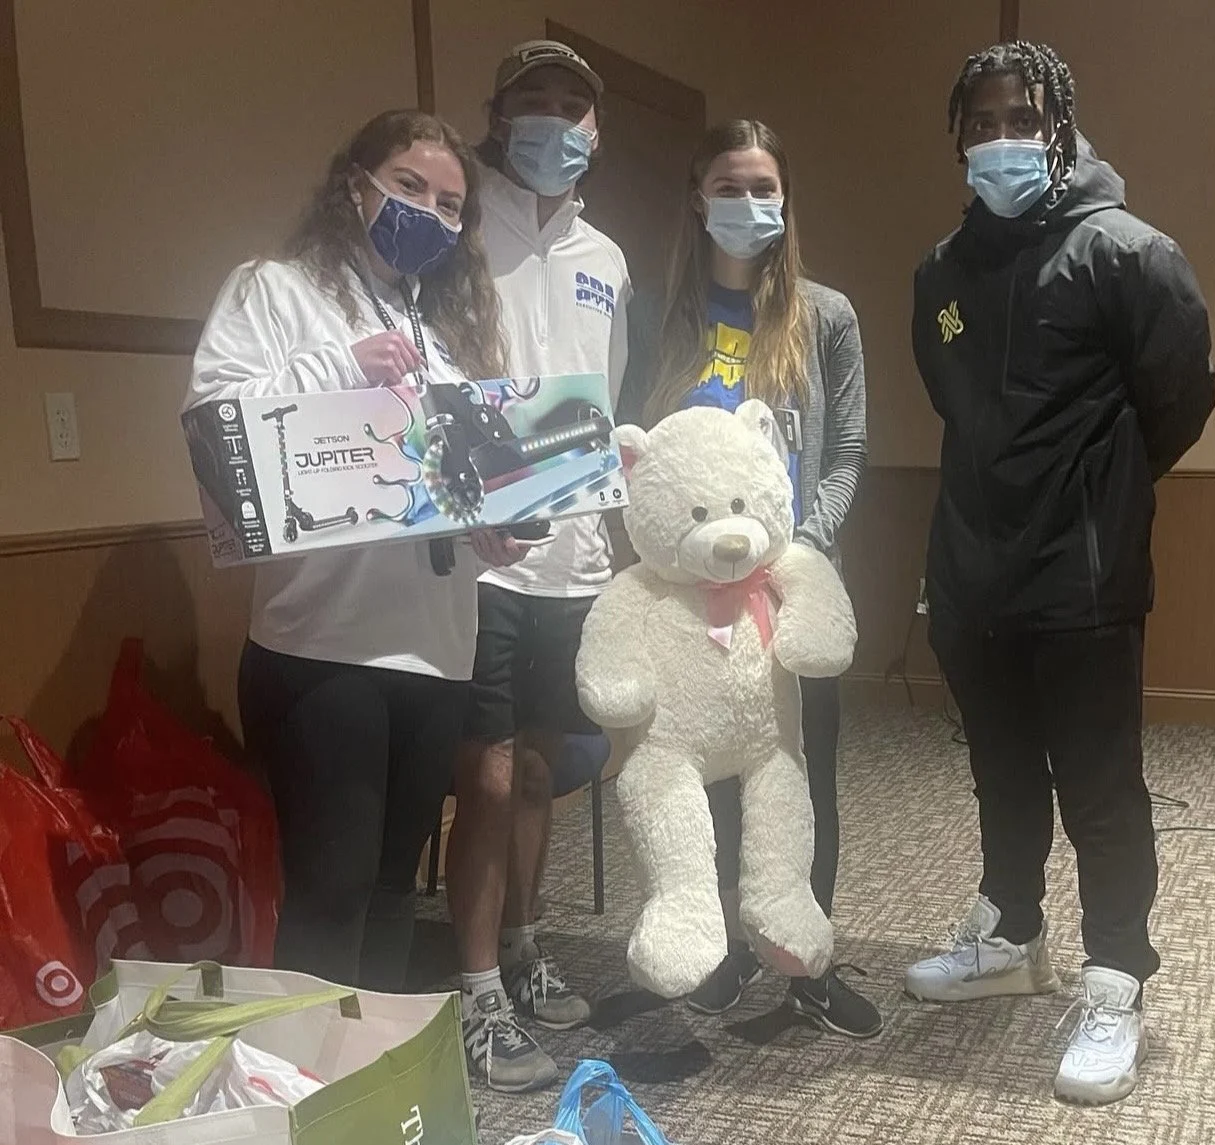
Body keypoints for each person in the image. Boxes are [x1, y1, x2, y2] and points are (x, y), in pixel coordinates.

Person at [905, 42, 1215, 1104]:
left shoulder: (1127, 254)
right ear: (958, 137)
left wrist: (1099, 492)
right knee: (999, 769)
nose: (998, 138)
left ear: (1059, 128)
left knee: (1097, 786)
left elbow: (1178, 400)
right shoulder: (939, 274)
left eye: (1020, 120)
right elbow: (954, 405)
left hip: (1079, 578)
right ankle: (1009, 934)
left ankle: (1115, 977)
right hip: (970, 573)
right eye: (979, 122)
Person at [185, 110, 525, 995]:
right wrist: (339, 366)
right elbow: (215, 423)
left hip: (437, 647)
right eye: (409, 186)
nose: (429, 213)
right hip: (322, 644)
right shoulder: (274, 290)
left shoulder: (445, 335)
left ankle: (371, 1064)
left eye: (449, 204)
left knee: (391, 890)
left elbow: (447, 488)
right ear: (355, 184)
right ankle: (309, 1073)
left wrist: (492, 531)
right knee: (330, 890)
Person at [638, 118, 882, 1040]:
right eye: (729, 187)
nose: (748, 204)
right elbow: (638, 457)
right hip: (687, 604)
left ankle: (808, 966)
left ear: (785, 199)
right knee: (711, 782)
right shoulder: (657, 317)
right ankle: (730, 950)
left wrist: (796, 551)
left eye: (764, 188)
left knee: (798, 779)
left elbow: (846, 453)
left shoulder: (826, 316)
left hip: (789, 593)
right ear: (696, 198)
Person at [446, 39, 631, 1091]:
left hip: (575, 551)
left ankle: (521, 943)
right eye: (534, 101)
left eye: (573, 106)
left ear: (596, 131)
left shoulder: (608, 255)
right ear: (497, 114)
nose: (554, 121)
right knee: (485, 771)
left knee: (540, 769)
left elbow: (605, 393)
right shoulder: (461, 221)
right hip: (484, 553)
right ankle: (474, 985)